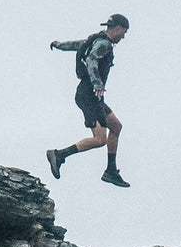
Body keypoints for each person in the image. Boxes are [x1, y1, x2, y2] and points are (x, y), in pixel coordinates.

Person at [47, 14, 130, 187]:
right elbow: (92, 59)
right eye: (124, 31)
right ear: (117, 28)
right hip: (89, 95)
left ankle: (111, 171)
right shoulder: (104, 44)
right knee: (100, 139)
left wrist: (60, 45)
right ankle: (59, 155)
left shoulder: (95, 39)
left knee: (116, 126)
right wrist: (97, 84)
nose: (124, 36)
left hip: (93, 96)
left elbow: (78, 45)